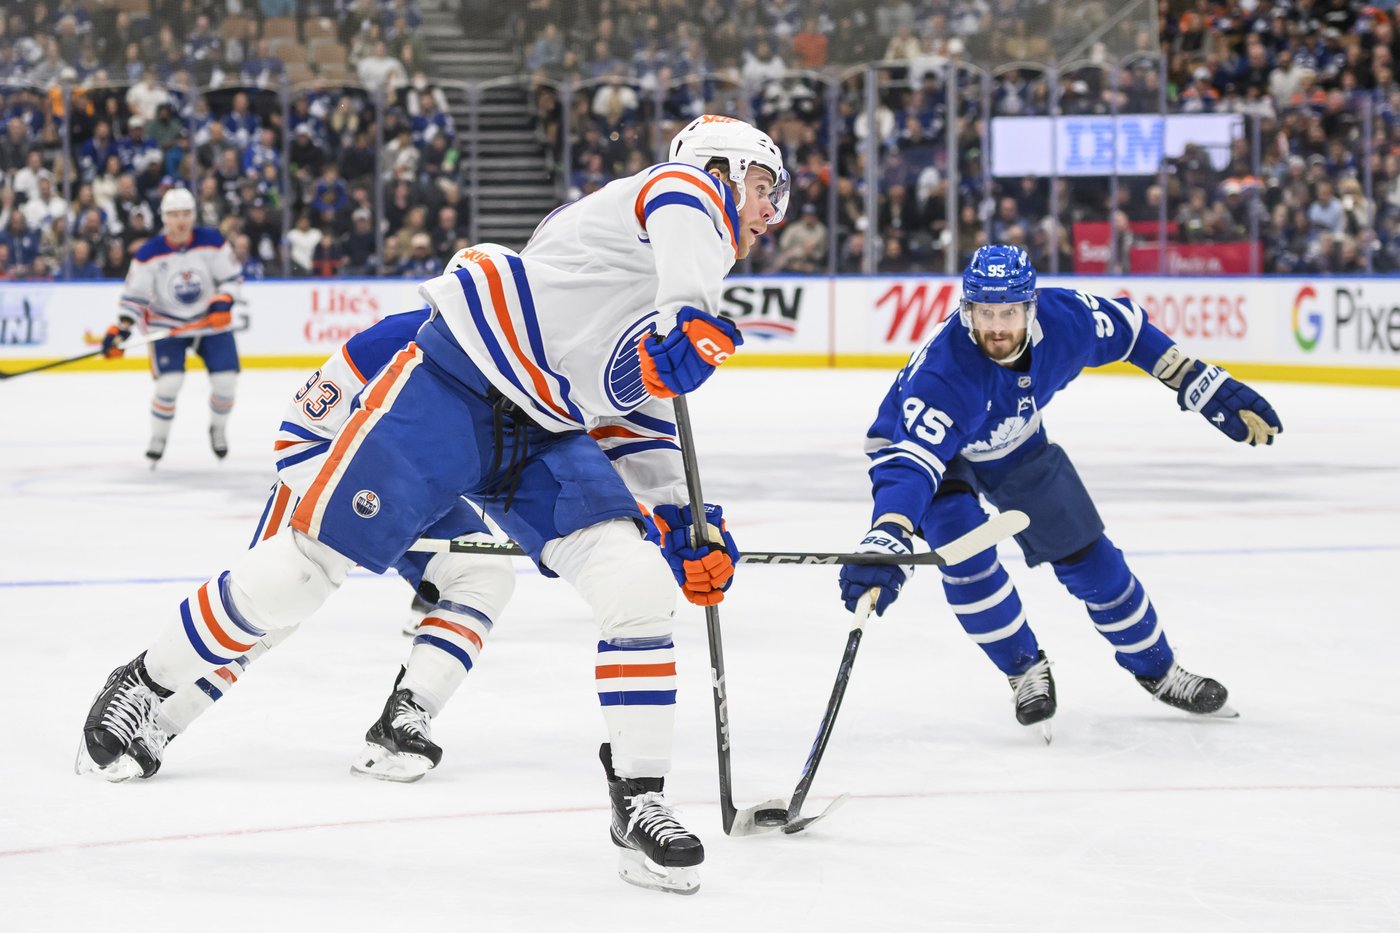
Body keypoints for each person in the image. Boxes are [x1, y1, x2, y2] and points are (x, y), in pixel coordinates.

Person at [77, 114, 790, 895]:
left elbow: (631, 417)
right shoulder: (671, 198)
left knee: (638, 583)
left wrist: (683, 519)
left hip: (544, 433)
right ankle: (146, 681)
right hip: (457, 386)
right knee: (305, 572)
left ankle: (638, 800)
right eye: (763, 187)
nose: (771, 211)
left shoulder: (667, 284)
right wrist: (686, 310)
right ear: (721, 170)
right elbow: (684, 196)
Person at [102, 253, 517, 785]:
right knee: (278, 606)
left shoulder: (513, 365)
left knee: (485, 574)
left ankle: (406, 717)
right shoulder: (392, 340)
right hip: (332, 479)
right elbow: (297, 440)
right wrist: (361, 511)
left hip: (418, 495)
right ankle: (156, 721)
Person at [838, 244, 1282, 739]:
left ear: (1031, 309)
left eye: (1009, 312)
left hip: (1014, 442)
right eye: (985, 312)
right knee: (965, 554)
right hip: (934, 461)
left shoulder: (1066, 319)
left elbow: (1132, 331)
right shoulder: (945, 374)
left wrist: (1195, 378)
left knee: (1095, 562)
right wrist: (890, 529)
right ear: (967, 311)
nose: (997, 327)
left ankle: (1159, 670)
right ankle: (1024, 670)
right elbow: (912, 464)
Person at [101, 187, 244, 465]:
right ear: (164, 218)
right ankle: (159, 437)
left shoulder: (212, 241)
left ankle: (218, 429)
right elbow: (134, 297)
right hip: (167, 325)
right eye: (175, 214)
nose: (181, 220)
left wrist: (224, 301)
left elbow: (232, 279)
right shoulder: (148, 253)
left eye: (186, 213)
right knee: (169, 384)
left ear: (194, 215)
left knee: (226, 382)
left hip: (208, 323)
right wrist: (122, 328)